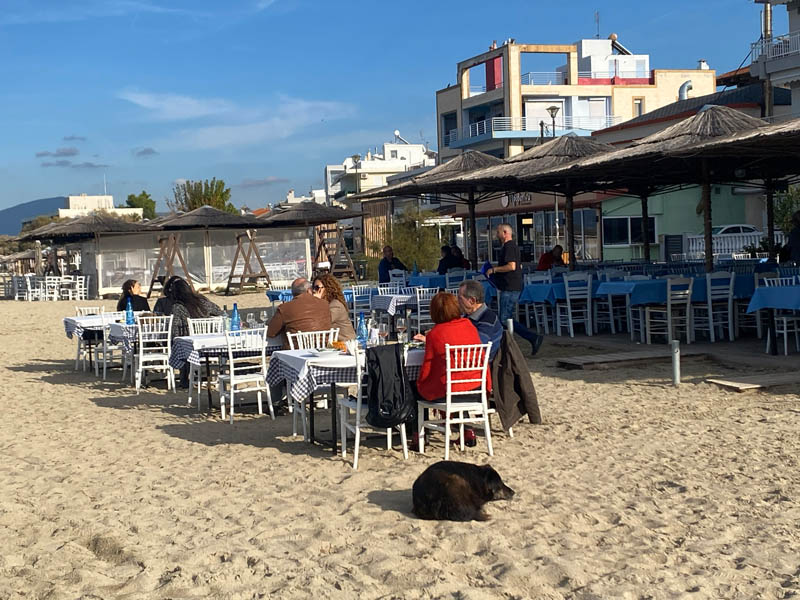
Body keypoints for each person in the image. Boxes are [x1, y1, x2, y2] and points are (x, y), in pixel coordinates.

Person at [415, 292, 491, 402]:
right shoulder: (469, 325)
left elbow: (428, 367)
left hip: (451, 392)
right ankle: (461, 416)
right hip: (477, 388)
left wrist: (421, 383)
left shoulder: (435, 333)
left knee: (415, 389)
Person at [485, 224, 543, 355]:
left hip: (510, 286)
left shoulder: (509, 247)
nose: (496, 234)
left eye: (498, 231)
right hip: (510, 285)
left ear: (505, 233)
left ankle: (531, 337)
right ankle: (505, 345)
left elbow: (511, 266)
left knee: (505, 318)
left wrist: (494, 269)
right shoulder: (510, 247)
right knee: (505, 317)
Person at [169, 279, 225, 388]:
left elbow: (175, 328)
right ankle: (205, 375)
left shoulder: (178, 307)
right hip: (209, 342)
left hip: (192, 343)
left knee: (179, 343)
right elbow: (219, 312)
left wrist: (175, 340)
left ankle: (184, 379)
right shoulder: (201, 300)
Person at [267, 277, 332, 348]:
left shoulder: (285, 308)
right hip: (322, 349)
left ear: (292, 293)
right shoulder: (325, 304)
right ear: (309, 290)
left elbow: (271, 333)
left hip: (296, 353)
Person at [457, 280, 503, 361]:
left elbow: (476, 348)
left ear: (472, 300)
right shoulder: (468, 317)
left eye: (460, 298)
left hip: (480, 366)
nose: (457, 302)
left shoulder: (488, 319)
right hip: (467, 361)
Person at [312, 273, 356, 341]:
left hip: (346, 344)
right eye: (313, 288)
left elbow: (322, 322)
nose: (314, 291)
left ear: (328, 289)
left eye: (317, 288)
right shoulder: (326, 304)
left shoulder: (335, 305)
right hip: (334, 345)